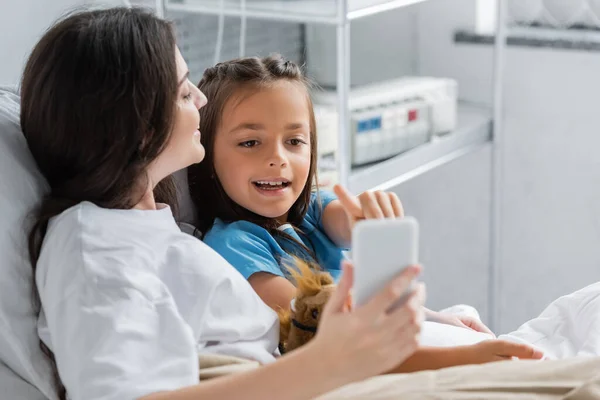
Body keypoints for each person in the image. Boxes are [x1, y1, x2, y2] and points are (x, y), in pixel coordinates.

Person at [22, 7, 427, 400]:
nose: (199, 99)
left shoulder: (145, 225)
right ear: (142, 129)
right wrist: (327, 363)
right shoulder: (91, 247)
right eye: (183, 92)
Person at [187, 54, 543, 373]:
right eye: (250, 143)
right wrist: (463, 357)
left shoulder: (309, 209)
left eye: (295, 141)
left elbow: (343, 219)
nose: (279, 157)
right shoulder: (231, 245)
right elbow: (320, 330)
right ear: (208, 155)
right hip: (359, 357)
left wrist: (367, 219)